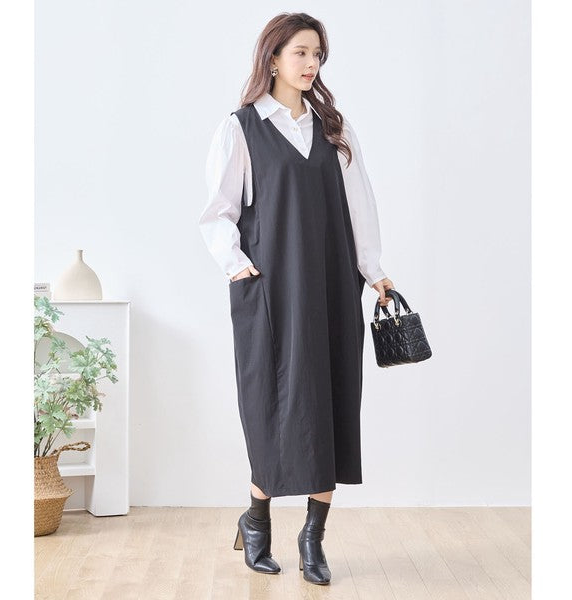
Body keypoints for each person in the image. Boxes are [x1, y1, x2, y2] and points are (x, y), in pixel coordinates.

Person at [199, 12, 395, 585]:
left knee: (330, 403)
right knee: (271, 405)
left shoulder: (334, 128)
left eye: (317, 55)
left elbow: (360, 205)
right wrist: (236, 265)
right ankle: (256, 519)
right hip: (269, 289)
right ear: (273, 58)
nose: (311, 64)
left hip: (332, 283)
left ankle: (314, 538)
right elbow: (217, 212)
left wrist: (374, 272)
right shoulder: (241, 128)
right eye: (301, 53)